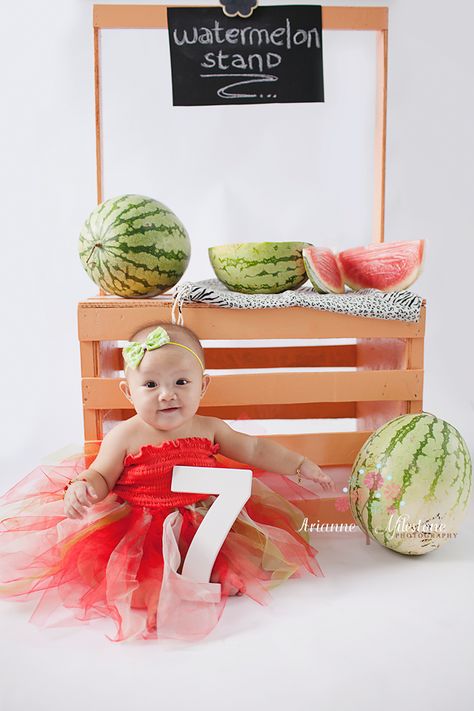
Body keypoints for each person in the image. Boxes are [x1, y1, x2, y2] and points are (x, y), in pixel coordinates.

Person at [0, 323, 335, 643]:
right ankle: (160, 600)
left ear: (202, 386)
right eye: (150, 385)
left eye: (180, 382)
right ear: (127, 391)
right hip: (143, 526)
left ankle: (217, 574)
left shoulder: (210, 427)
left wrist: (298, 464)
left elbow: (254, 448)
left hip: (203, 518)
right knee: (147, 573)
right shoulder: (124, 436)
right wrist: (84, 487)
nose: (166, 395)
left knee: (225, 557)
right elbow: (102, 474)